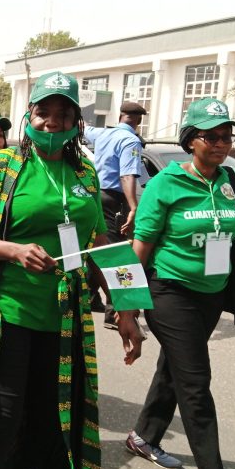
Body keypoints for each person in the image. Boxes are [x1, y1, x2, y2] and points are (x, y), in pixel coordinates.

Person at [0, 71, 144, 469]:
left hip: (65, 318)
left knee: (54, 413)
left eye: (63, 113)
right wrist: (14, 250)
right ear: (28, 117)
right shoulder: (0, 167)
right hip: (8, 312)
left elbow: (102, 244)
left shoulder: (85, 173)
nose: (52, 122)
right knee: (7, 414)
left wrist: (127, 311)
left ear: (76, 122)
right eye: (43, 113)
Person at [126, 98, 235, 469]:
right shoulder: (165, 185)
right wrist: (127, 309)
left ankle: (143, 436)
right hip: (170, 293)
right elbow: (138, 249)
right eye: (212, 136)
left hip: (210, 296)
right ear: (191, 140)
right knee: (196, 384)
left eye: (227, 136)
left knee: (175, 369)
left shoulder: (231, 181)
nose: (222, 143)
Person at [84, 101, 147, 329]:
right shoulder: (130, 140)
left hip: (96, 196)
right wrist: (133, 207)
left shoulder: (102, 134)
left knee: (100, 246)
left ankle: (91, 297)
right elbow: (127, 175)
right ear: (138, 121)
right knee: (116, 254)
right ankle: (114, 314)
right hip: (114, 200)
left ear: (121, 116)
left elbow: (83, 128)